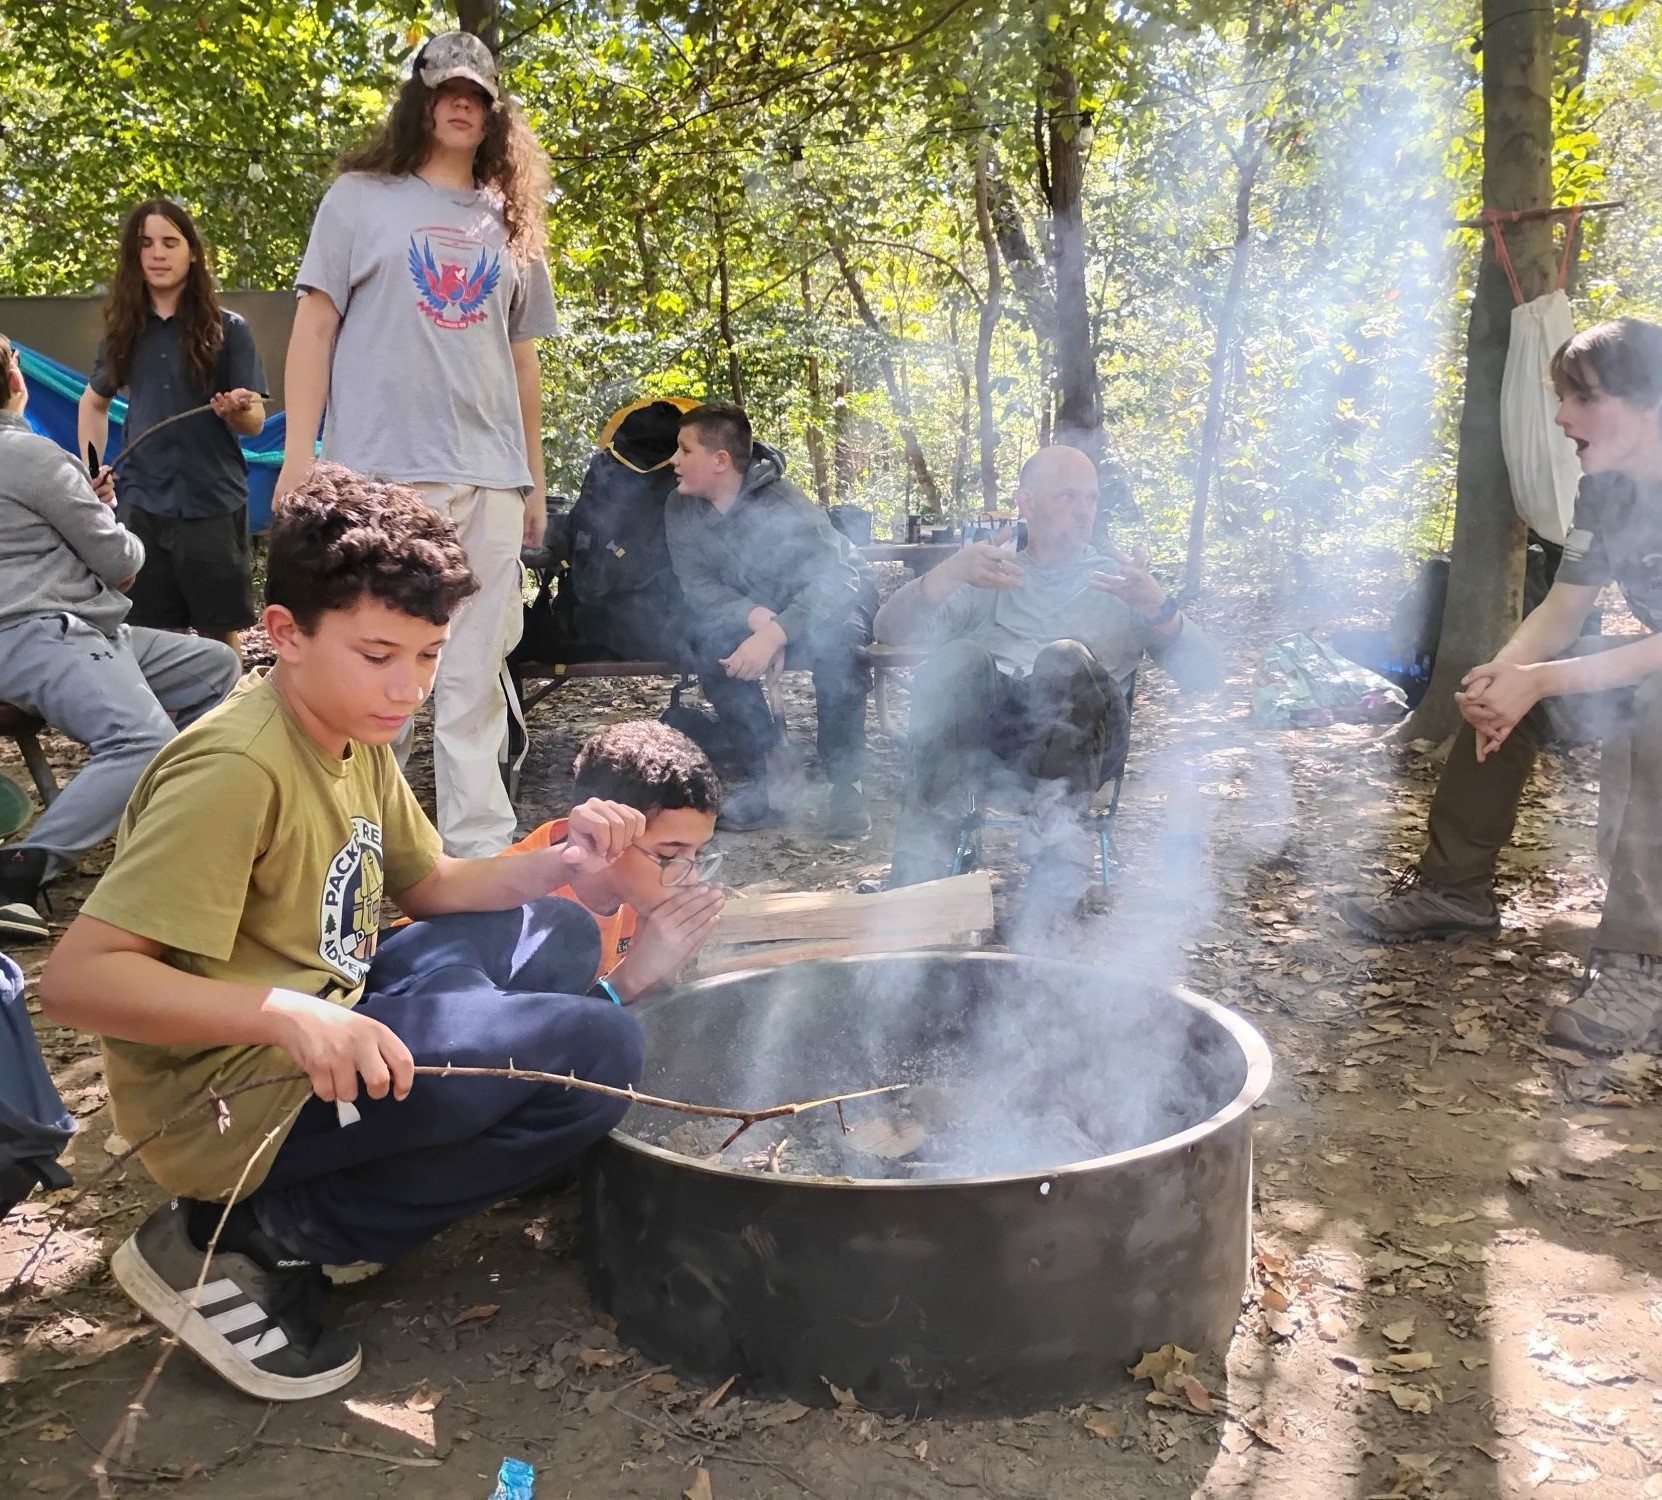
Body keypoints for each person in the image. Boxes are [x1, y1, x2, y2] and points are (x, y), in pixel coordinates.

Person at [38, 465, 642, 1401]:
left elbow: (432, 884)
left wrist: (561, 860)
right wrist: (288, 1015)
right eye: (378, 655)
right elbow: (77, 983)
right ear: (284, 633)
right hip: (231, 1099)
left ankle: (439, 1126)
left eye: (430, 654)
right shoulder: (235, 769)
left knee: (557, 934)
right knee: (598, 1051)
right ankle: (245, 1239)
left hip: (330, 1014)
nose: (409, 688)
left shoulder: (352, 730)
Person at [1343, 317, 1662, 1054]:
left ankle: (1639, 961)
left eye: (1581, 397)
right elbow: (1563, 607)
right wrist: (1512, 674)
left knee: (1651, 706)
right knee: (1513, 693)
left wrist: (1543, 677)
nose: (1560, 416)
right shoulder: (1605, 490)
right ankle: (1455, 889)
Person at [277, 30, 556, 859]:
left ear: (494, 109)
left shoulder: (510, 219)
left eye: (476, 91)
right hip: (385, 475)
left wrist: (532, 482)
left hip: (492, 477)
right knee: (380, 671)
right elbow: (315, 326)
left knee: (474, 674)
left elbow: (522, 361)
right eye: (445, 89)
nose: (460, 102)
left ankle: (477, 852)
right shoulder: (360, 199)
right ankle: (364, 851)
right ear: (421, 100)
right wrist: (301, 454)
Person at [874, 444, 1220, 937]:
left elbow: (1207, 676)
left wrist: (1159, 606)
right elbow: (889, 631)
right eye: (1068, 497)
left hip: (1087, 740)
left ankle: (1055, 888)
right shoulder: (989, 572)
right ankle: (918, 878)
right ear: (1027, 503)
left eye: (1091, 499)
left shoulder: (1120, 584)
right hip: (995, 748)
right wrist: (949, 572)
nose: (1084, 512)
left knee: (1064, 657)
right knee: (959, 659)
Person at [0, 332, 241, 943]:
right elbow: (122, 563)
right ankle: (20, 872)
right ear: (14, 379)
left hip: (70, 630)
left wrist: (89, 500)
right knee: (140, 740)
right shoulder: (31, 456)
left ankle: (166, 824)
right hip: (40, 631)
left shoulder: (37, 464)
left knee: (213, 666)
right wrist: (104, 511)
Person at [665, 401, 877, 835]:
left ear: (720, 460)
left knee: (841, 652)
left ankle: (846, 786)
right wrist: (757, 619)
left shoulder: (785, 503)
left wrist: (777, 632)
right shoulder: (680, 508)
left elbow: (839, 580)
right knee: (705, 644)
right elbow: (698, 586)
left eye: (685, 451)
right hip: (759, 611)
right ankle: (769, 778)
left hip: (833, 601)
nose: (674, 461)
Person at [77, 199, 267, 657]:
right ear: (135, 255)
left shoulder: (230, 330)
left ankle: (223, 729)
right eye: (146, 243)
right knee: (153, 641)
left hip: (213, 505)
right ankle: (164, 731)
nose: (158, 253)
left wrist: (234, 410)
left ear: (192, 252)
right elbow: (94, 402)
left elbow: (256, 421)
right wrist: (92, 472)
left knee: (220, 639)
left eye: (170, 241)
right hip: (141, 508)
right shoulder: (125, 330)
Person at [503, 720, 726, 1000]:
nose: (691, 878)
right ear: (603, 836)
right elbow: (527, 1036)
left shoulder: (644, 896)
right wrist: (630, 978)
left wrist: (665, 973)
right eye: (669, 855)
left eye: (699, 854)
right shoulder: (516, 907)